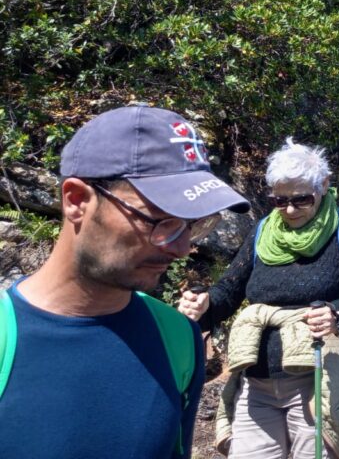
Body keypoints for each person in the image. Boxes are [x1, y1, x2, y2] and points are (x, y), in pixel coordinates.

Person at [0, 105, 249, 459]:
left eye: (192, 225)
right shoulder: (6, 337)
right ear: (76, 201)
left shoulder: (178, 339)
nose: (181, 248)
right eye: (159, 220)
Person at [178, 138, 339, 458]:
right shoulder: (263, 231)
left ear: (324, 186)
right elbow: (228, 292)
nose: (289, 210)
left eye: (301, 199)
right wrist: (205, 304)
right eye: (280, 200)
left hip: (321, 387)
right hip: (256, 387)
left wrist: (338, 319)